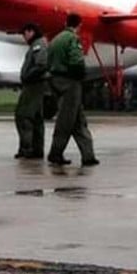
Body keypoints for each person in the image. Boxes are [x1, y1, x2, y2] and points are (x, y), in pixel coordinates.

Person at [46, 14, 98, 166]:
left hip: (56, 80)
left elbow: (48, 61)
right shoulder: (72, 39)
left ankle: (88, 156)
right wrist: (82, 76)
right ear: (79, 25)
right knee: (66, 120)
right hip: (70, 83)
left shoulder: (56, 39)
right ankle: (55, 153)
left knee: (78, 120)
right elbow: (76, 61)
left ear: (65, 23)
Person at [14, 23, 48, 159]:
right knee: (36, 118)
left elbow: (41, 65)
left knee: (24, 116)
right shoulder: (37, 44)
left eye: (25, 33)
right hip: (37, 85)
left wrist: (27, 76)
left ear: (31, 32)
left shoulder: (38, 45)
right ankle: (36, 150)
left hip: (33, 85)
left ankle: (27, 149)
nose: (24, 37)